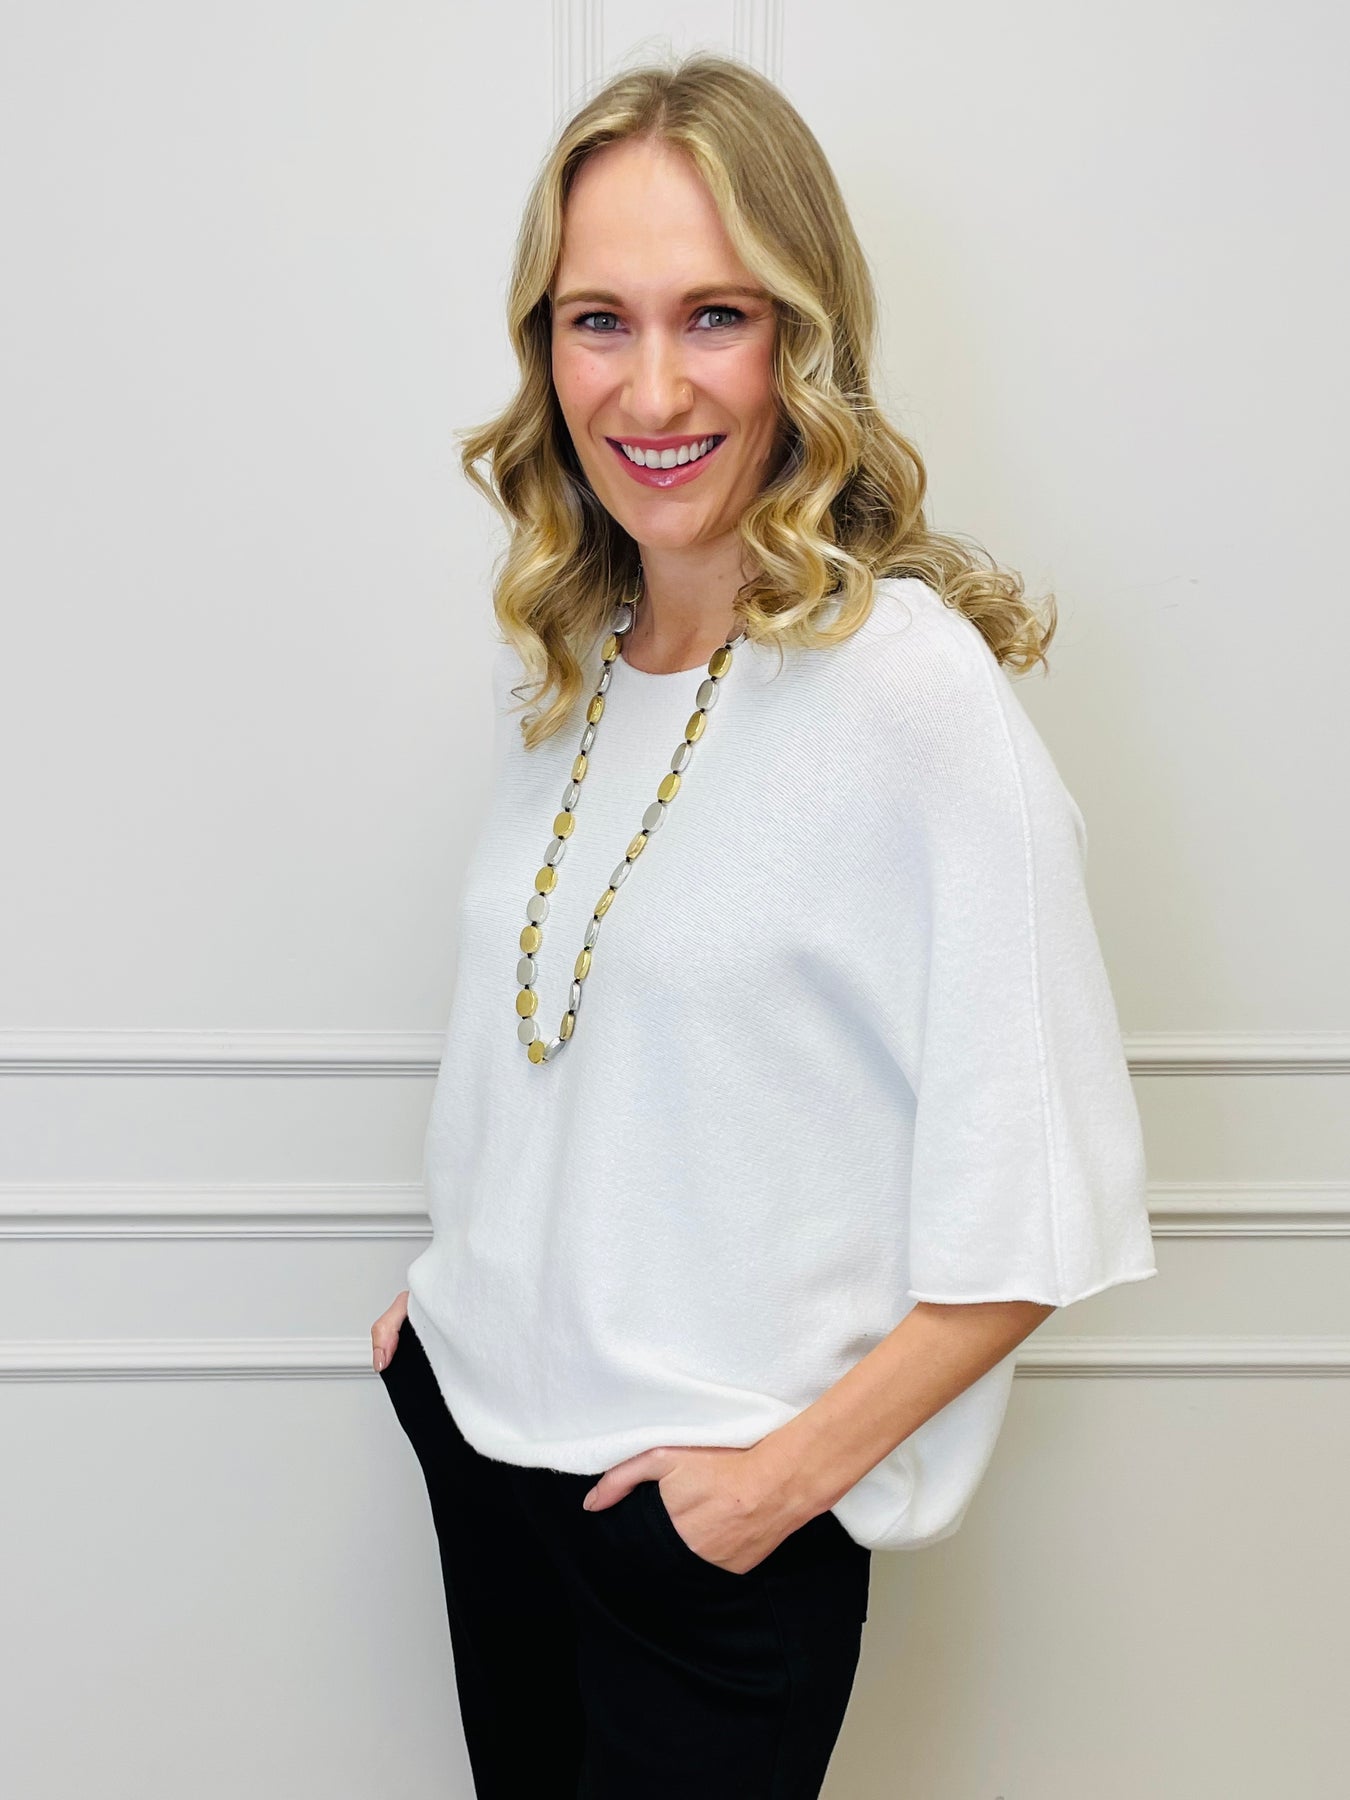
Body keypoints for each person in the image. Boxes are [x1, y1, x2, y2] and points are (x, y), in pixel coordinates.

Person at [370, 51, 1157, 1799]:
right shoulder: (569, 664)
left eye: (712, 316)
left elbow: (1043, 1194)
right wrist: (445, 1314)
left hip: (703, 1536)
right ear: (543, 349)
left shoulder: (910, 696)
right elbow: (582, 1047)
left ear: (800, 340)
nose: (650, 385)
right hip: (488, 1449)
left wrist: (769, 1491)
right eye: (597, 320)